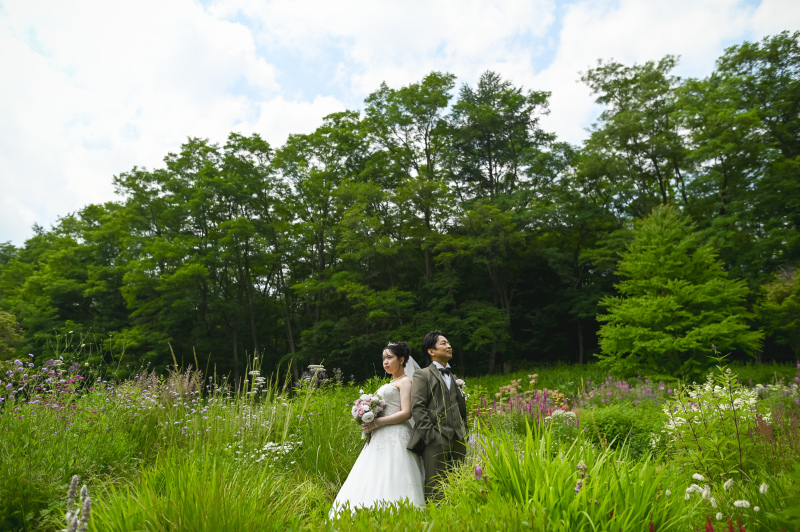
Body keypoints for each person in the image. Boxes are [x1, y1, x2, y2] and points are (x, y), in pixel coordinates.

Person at [328, 342, 425, 518]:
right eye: (383, 358)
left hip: (396, 434)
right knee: (373, 473)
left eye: (390, 357)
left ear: (401, 359)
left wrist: (377, 422)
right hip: (379, 434)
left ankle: (400, 513)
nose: (385, 362)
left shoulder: (405, 382)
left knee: (395, 472)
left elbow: (406, 413)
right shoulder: (391, 382)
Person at [406, 331, 468, 501]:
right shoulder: (423, 374)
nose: (449, 346)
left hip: (458, 438)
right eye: (443, 343)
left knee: (459, 483)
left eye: (449, 343)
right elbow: (417, 407)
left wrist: (464, 431)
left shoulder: (453, 376)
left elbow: (459, 407)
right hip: (436, 438)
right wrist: (431, 436)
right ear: (431, 351)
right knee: (436, 487)